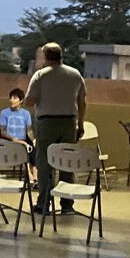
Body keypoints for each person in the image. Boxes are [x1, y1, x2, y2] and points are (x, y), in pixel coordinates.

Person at [24, 42, 86, 215]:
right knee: (67, 162)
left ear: (45, 57)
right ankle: (67, 204)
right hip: (69, 122)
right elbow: (82, 101)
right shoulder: (75, 74)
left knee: (44, 163)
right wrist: (80, 124)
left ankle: (43, 203)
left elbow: (29, 101)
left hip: (47, 123)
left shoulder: (40, 76)